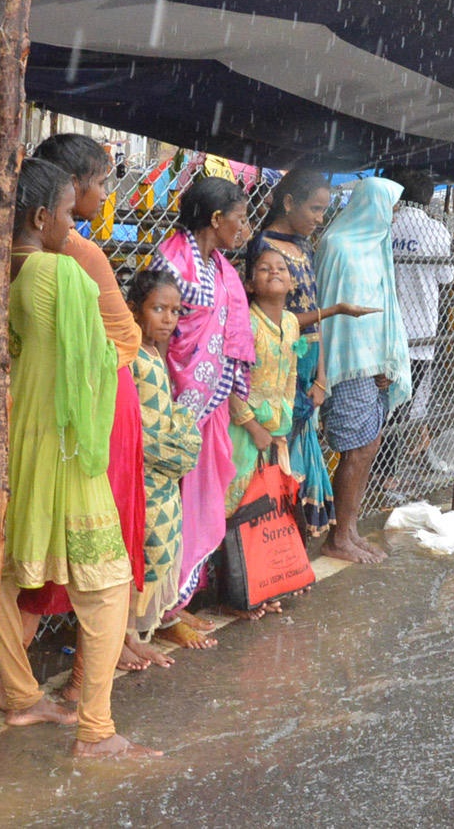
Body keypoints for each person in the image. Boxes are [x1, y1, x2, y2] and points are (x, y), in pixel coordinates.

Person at [0, 158, 158, 758]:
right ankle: (95, 732)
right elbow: (111, 352)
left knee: (3, 576)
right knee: (108, 585)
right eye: (68, 213)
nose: (73, 226)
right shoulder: (57, 274)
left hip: (2, 448)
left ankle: (18, 696)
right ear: (41, 217)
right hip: (61, 450)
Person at [19, 133, 157, 673]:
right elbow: (125, 341)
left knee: (55, 531)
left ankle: (81, 659)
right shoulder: (74, 254)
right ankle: (85, 674)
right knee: (99, 529)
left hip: (68, 400)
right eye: (100, 183)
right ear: (68, 189)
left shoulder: (30, 255)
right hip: (97, 403)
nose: (104, 195)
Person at [149, 176, 256, 621]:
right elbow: (156, 330)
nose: (246, 229)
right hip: (170, 404)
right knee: (164, 504)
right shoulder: (172, 261)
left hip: (207, 408)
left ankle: (176, 601)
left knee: (192, 497)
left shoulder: (218, 267)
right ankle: (157, 608)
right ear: (216, 219)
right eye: (241, 218)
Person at [247, 170, 375, 537]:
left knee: (300, 443)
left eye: (324, 210)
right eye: (315, 209)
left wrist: (321, 375)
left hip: (309, 357)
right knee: (277, 444)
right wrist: (334, 311)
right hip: (278, 358)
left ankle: (290, 535)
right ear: (288, 203)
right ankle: (273, 531)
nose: (320, 219)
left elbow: (311, 316)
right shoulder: (265, 247)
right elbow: (276, 315)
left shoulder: (303, 246)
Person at [315, 177, 412, 564]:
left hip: (375, 365)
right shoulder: (337, 246)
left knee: (370, 445)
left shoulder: (377, 245)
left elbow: (384, 305)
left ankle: (350, 529)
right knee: (355, 449)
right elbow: (329, 310)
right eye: (390, 205)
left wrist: (388, 359)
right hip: (347, 361)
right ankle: (339, 536)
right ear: (372, 204)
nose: (393, 214)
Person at [125, 271, 210, 651]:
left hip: (162, 473)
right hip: (142, 470)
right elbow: (131, 423)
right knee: (143, 550)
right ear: (133, 310)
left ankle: (148, 625)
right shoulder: (130, 358)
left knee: (163, 547)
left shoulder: (155, 353)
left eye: (175, 310)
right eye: (158, 309)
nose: (168, 319)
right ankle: (125, 635)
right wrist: (175, 446)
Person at [223, 247, 303, 617]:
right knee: (238, 506)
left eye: (281, 268)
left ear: (292, 281)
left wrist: (282, 423)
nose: (274, 272)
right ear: (250, 284)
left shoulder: (291, 323)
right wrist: (253, 426)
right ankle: (238, 594)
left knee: (268, 509)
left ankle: (264, 584)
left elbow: (290, 374)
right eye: (263, 268)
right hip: (245, 429)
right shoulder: (247, 324)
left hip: (276, 430)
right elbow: (233, 384)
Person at [379, 169, 454, 480]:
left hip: (383, 325)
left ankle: (382, 465)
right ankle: (388, 474)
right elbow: (446, 277)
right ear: (429, 197)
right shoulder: (437, 231)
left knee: (382, 401)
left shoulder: (386, 225)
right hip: (420, 330)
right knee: (403, 403)